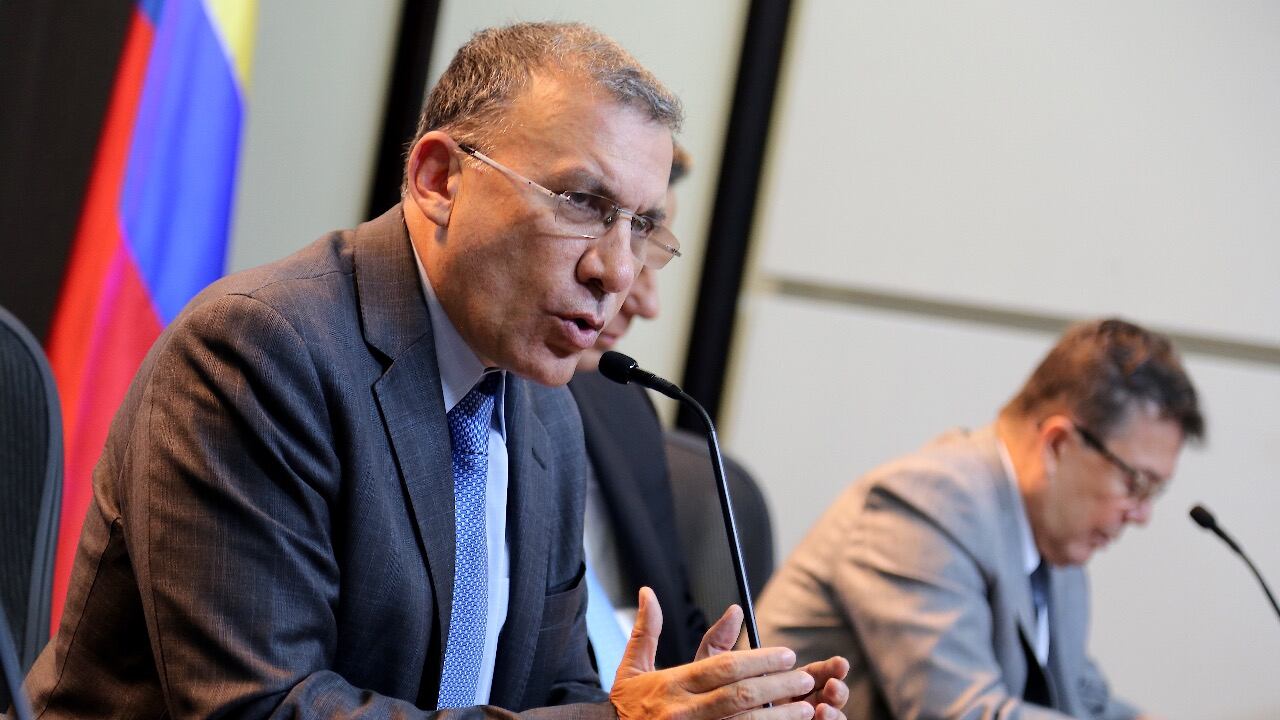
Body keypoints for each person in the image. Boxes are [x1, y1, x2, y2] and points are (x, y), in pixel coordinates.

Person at [24, 22, 849, 719]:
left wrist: (676, 704)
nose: (617, 270)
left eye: (641, 226)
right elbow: (263, 708)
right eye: (581, 203)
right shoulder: (261, 353)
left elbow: (550, 694)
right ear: (439, 179)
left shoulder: (547, 413)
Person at [757, 318, 1204, 719]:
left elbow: (1084, 701)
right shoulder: (927, 505)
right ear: (1057, 446)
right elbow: (961, 713)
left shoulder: (1056, 538)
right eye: (1137, 483)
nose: (1142, 515)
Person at [567, 146, 708, 675]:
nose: (648, 303)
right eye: (627, 237)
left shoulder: (620, 400)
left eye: (646, 241)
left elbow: (679, 627)